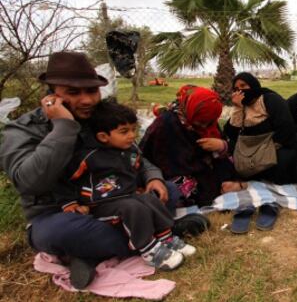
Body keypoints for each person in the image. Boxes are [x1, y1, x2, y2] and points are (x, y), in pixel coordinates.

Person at [0, 52, 179, 290]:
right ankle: (155, 234)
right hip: (65, 214)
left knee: (169, 191)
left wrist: (152, 176)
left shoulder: (102, 118)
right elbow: (30, 183)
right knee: (58, 234)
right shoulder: (22, 130)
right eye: (73, 92)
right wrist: (64, 127)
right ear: (52, 94)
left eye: (91, 91)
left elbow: (134, 155)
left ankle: (95, 253)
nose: (86, 100)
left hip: (117, 202)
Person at [57, 100, 196, 272]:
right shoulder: (89, 157)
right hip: (101, 204)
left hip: (128, 196)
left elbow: (139, 168)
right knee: (134, 208)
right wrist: (70, 203)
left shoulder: (131, 151)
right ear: (103, 136)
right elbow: (64, 179)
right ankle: (148, 249)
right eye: (124, 132)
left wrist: (148, 181)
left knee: (150, 200)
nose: (131, 135)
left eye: (133, 129)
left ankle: (165, 238)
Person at [223, 72, 297, 233]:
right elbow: (231, 133)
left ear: (253, 85)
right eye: (236, 89)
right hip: (251, 149)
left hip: (276, 146)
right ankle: (255, 184)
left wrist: (264, 152)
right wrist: (238, 108)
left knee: (282, 164)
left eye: (244, 87)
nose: (240, 91)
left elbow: (286, 128)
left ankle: (264, 190)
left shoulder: (269, 99)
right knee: (235, 157)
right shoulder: (241, 106)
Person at [139, 85, 239, 207]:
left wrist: (220, 145)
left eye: (209, 122)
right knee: (181, 187)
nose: (204, 126)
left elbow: (224, 149)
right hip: (175, 169)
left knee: (230, 163)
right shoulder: (166, 123)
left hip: (202, 165)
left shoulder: (209, 119)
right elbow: (156, 157)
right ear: (191, 110)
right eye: (201, 121)